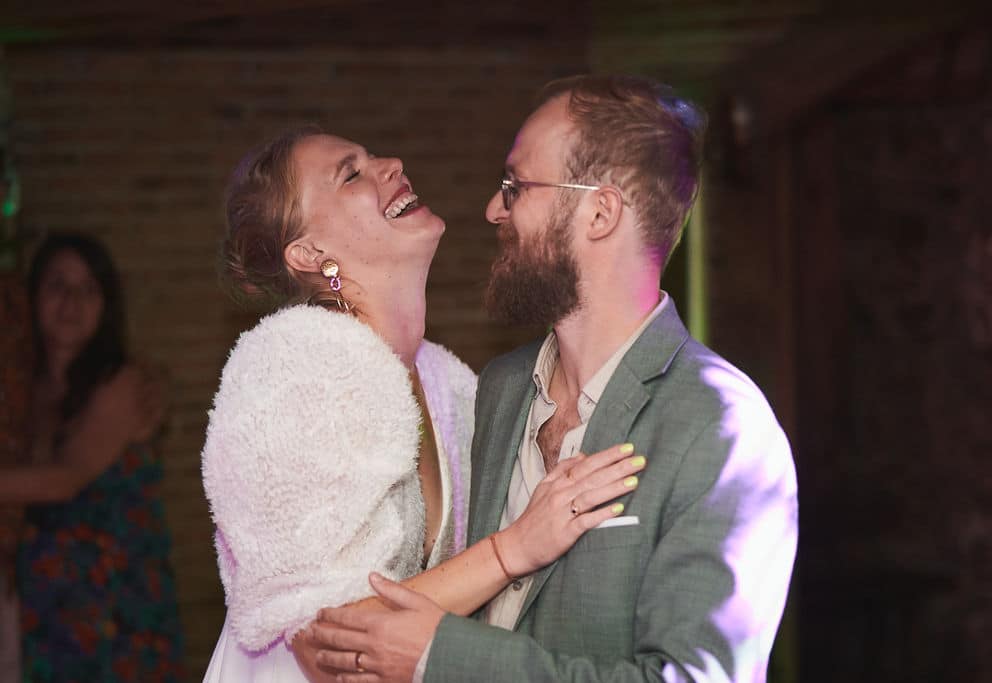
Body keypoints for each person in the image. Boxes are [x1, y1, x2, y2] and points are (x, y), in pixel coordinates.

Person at [310, 75, 799, 683]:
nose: (494, 209)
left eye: (515, 187)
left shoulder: (720, 426)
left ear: (599, 212)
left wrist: (444, 658)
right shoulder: (500, 389)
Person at [201, 127, 647, 682]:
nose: (390, 163)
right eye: (351, 174)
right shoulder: (288, 368)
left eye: (372, 157)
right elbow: (326, 644)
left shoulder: (447, 381)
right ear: (311, 254)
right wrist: (515, 548)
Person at [0, 232, 184, 681]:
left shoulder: (123, 381)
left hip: (118, 604)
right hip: (47, 608)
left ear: (106, 305)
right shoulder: (22, 390)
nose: (71, 301)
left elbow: (66, 478)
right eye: (57, 285)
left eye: (88, 289)